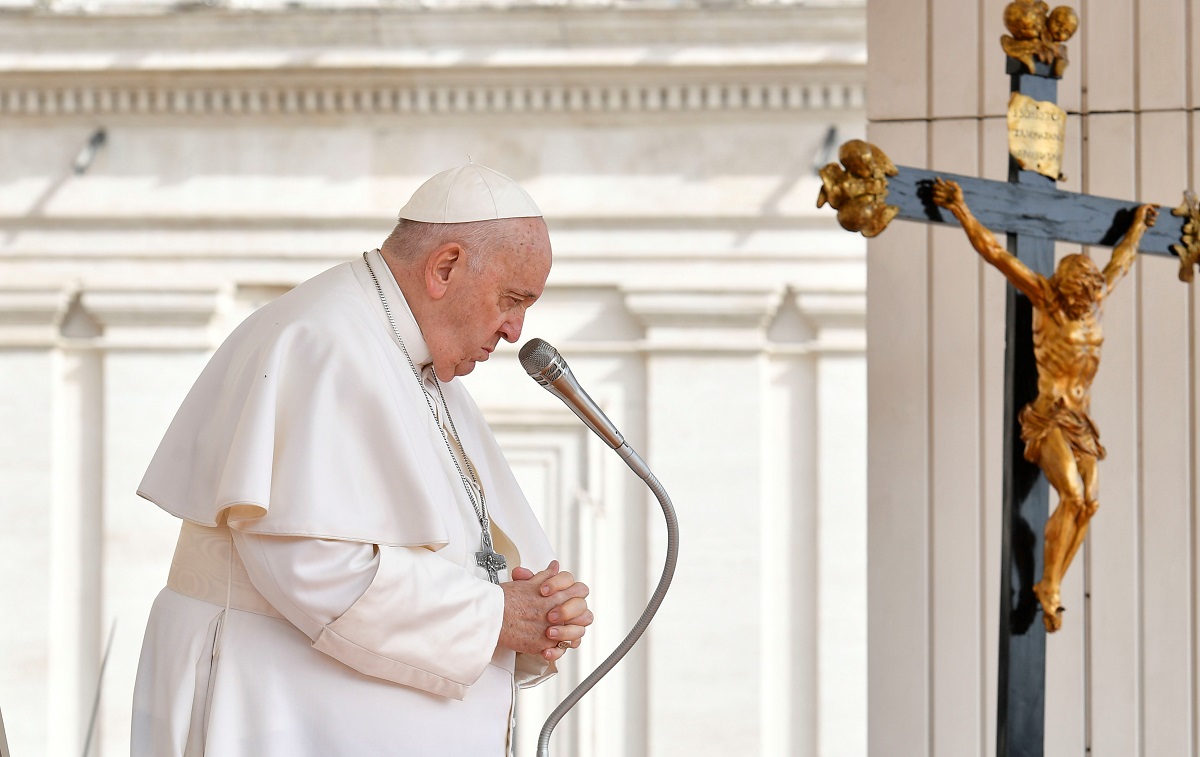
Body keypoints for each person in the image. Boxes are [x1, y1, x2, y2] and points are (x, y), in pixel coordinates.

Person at [131, 163, 593, 755]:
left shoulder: (417, 361)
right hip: (277, 712)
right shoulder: (322, 341)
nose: (514, 332)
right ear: (445, 267)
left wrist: (536, 610)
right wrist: (494, 617)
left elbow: (460, 551)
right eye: (511, 299)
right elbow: (311, 565)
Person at [931, 177, 1156, 632]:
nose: (1084, 303)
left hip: (1081, 420)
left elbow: (1121, 263)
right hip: (1048, 414)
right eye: (1079, 295)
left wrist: (1137, 229)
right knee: (1072, 495)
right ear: (1066, 285)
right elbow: (995, 253)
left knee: (1090, 504)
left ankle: (1052, 584)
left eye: (1089, 296)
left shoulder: (1093, 302)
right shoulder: (1047, 299)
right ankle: (1048, 586)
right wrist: (960, 209)